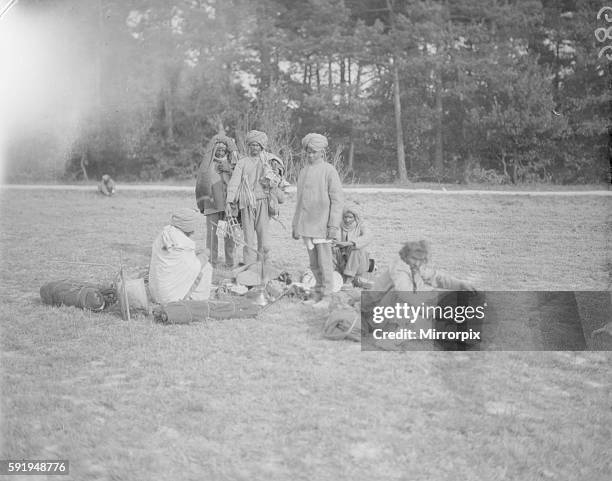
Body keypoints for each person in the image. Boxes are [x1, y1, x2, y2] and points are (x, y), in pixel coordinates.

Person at [292, 133, 344, 309]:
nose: (310, 155)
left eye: (314, 152)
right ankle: (317, 292)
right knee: (314, 263)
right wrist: (295, 226)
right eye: (308, 152)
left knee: (325, 262)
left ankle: (328, 296)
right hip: (306, 225)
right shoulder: (303, 171)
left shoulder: (329, 170)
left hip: (322, 226)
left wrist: (333, 225)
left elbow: (337, 201)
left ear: (322, 152)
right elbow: (299, 201)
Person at [225, 130, 273, 266]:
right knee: (248, 237)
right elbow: (234, 182)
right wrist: (229, 201)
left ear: (262, 147)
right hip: (246, 204)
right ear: (248, 146)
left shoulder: (267, 161)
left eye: (257, 145)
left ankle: (263, 265)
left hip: (263, 202)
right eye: (252, 145)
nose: (255, 148)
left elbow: (275, 179)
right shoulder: (242, 162)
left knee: (263, 236)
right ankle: (249, 265)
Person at [148, 208, 213, 304]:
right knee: (206, 268)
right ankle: (196, 300)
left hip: (155, 294)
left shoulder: (165, 234)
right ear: (188, 226)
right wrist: (205, 254)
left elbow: (178, 261)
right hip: (170, 298)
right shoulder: (183, 243)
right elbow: (194, 268)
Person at [195, 134, 239, 269]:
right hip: (212, 204)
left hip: (228, 205)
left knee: (229, 234)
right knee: (212, 235)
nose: (220, 153)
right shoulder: (207, 166)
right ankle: (212, 262)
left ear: (227, 151)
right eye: (218, 150)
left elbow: (238, 181)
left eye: (223, 150)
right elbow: (201, 184)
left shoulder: (233, 165)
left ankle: (230, 262)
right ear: (213, 151)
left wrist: (230, 170)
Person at [334, 203, 372, 289]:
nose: (347, 220)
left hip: (359, 263)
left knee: (357, 249)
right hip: (342, 261)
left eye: (350, 217)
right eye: (345, 217)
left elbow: (368, 236)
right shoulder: (338, 226)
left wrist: (350, 243)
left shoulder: (361, 226)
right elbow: (334, 239)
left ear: (355, 217)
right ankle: (356, 280)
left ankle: (349, 279)